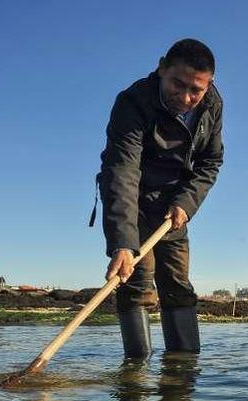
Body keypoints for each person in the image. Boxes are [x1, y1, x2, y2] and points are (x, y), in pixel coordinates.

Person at [97, 38, 224, 359]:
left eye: (196, 90)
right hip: (133, 201)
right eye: (177, 84)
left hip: (174, 205)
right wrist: (123, 243)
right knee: (137, 282)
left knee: (178, 284)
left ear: (208, 85)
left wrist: (187, 202)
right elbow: (121, 171)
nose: (185, 98)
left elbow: (211, 161)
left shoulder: (212, 104)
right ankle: (135, 376)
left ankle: (182, 373)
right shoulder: (133, 102)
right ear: (161, 67)